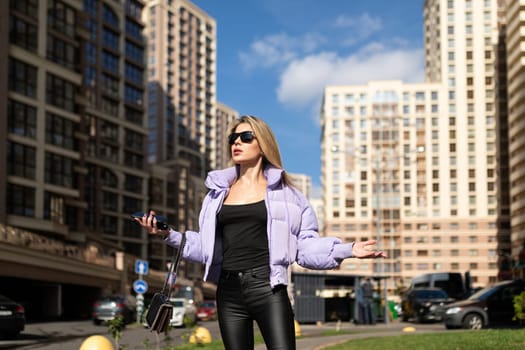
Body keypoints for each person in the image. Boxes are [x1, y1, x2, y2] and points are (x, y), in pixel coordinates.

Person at [135, 115, 387, 350]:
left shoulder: (289, 195)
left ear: (263, 144)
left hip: (269, 289)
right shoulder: (216, 195)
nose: (237, 142)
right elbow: (207, 247)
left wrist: (347, 250)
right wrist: (168, 234)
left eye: (245, 137)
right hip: (229, 292)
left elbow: (303, 247)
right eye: (233, 138)